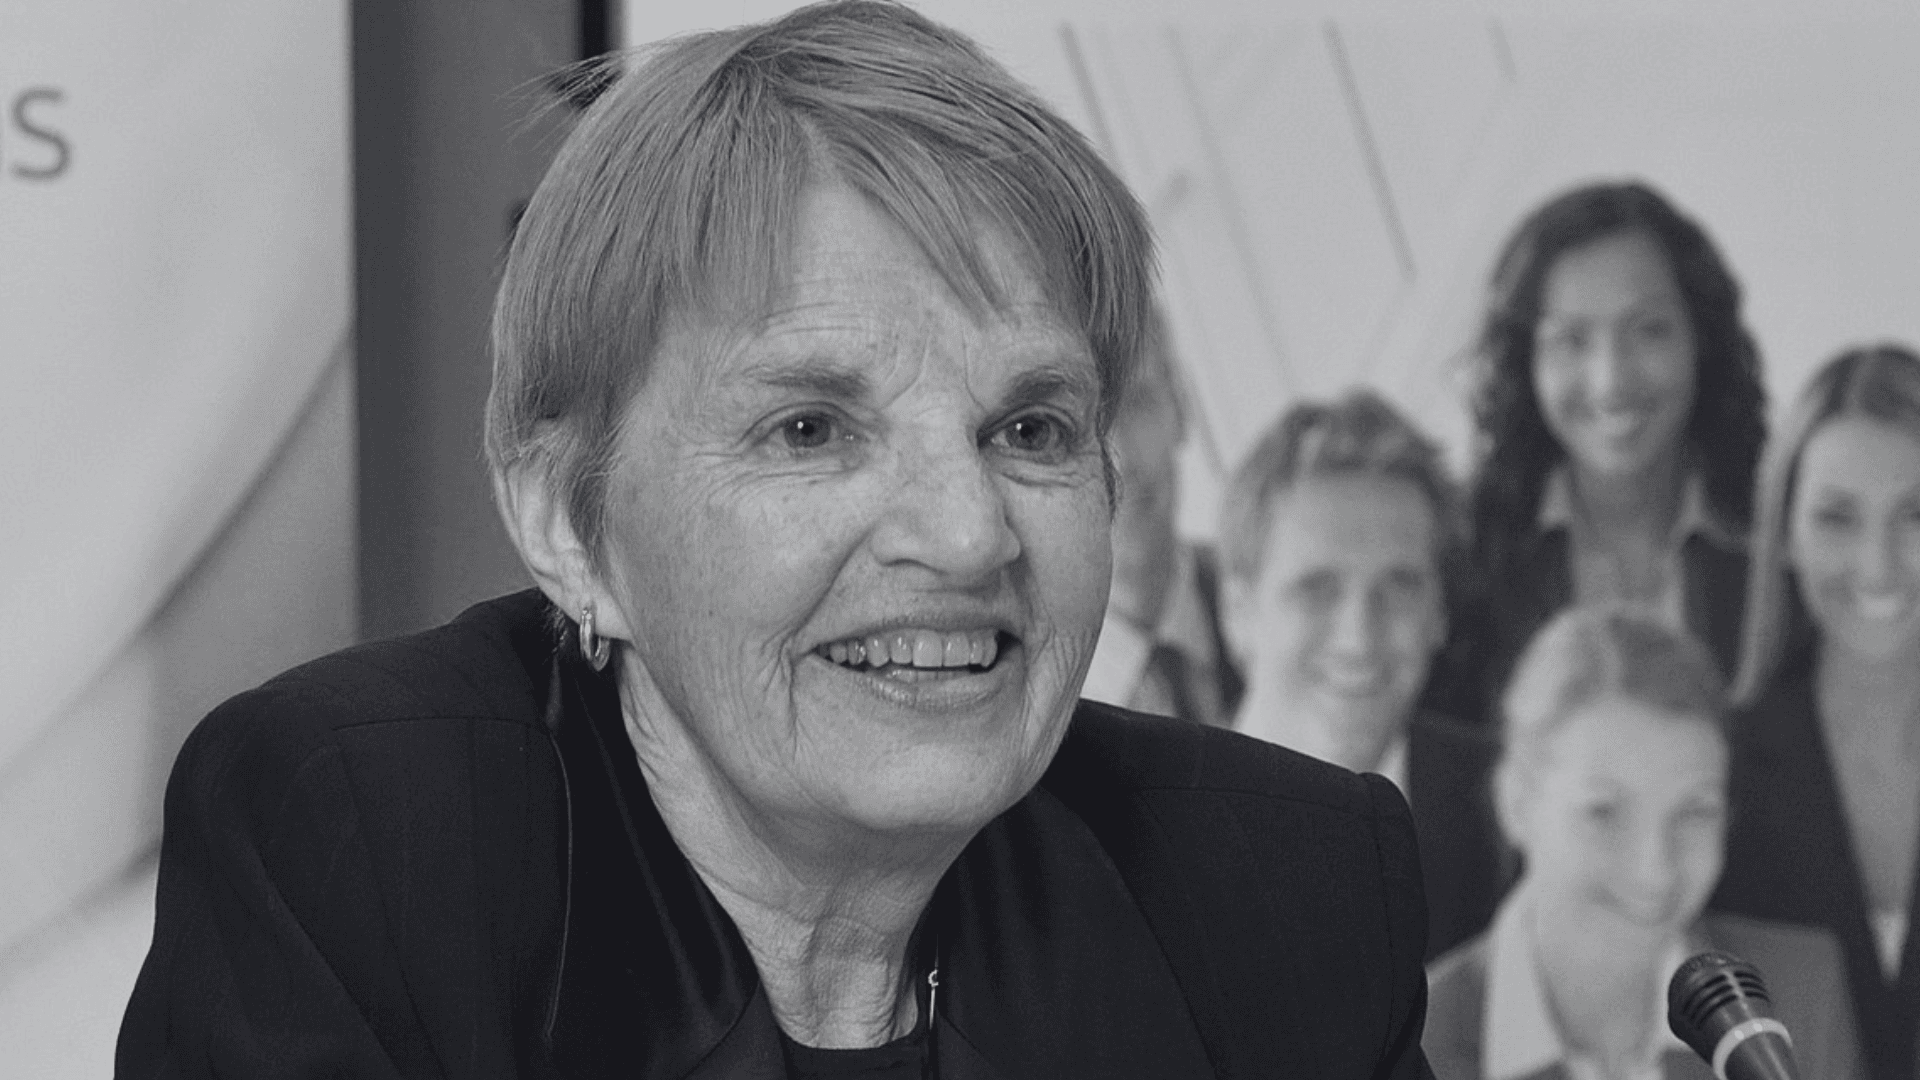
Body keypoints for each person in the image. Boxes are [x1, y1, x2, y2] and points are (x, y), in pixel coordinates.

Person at [115, 3, 1433, 1077]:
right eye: (810, 429)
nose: (966, 533)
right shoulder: (369, 847)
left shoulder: (1284, 897)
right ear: (569, 524)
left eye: (1030, 429)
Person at [1426, 607, 1861, 1080]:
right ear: (1515, 803)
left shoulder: (1799, 999)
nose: (1655, 870)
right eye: (1604, 812)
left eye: (1694, 812)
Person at [1444, 181, 1767, 724]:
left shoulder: (1781, 533)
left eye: (1648, 331)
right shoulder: (1466, 555)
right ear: (1525, 363)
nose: (1611, 379)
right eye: (1572, 340)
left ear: (1702, 339)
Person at [1220, 389, 1504, 959]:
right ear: (1238, 612)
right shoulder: (1138, 842)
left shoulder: (1513, 819)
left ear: (1440, 613)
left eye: (1399, 587)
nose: (1359, 638)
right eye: (1317, 588)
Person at [1712, 344, 1920, 1080]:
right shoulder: (1718, 772)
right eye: (1836, 518)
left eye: (1915, 514)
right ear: (1786, 537)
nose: (1878, 564)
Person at [1082, 308, 1239, 728]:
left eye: (1137, 402)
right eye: (1078, 426)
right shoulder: (1021, 718)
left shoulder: (1280, 608)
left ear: (1180, 405)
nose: (1121, 459)